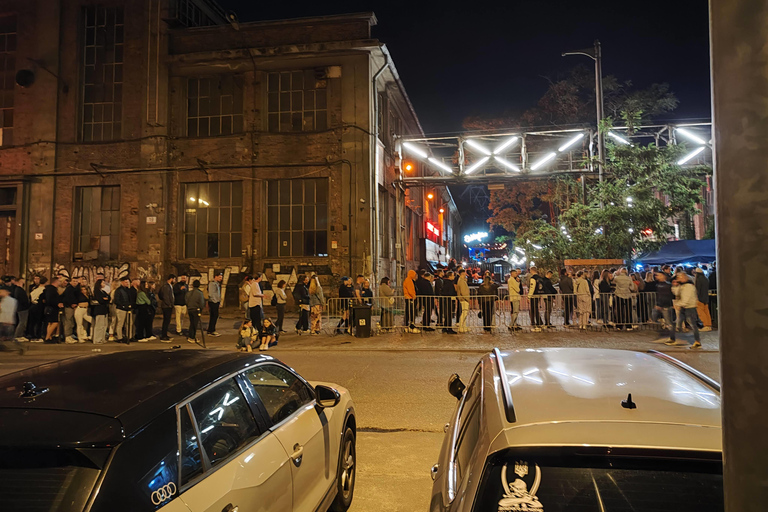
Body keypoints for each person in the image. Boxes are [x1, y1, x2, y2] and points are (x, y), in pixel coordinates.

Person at [667, 272, 701, 349]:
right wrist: (675, 286)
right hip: (684, 307)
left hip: (689, 308)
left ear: (685, 278)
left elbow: (686, 298)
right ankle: (672, 338)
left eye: (679, 277)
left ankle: (697, 342)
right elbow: (676, 293)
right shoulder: (682, 286)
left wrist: (679, 304)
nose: (678, 278)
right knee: (676, 323)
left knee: (692, 325)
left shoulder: (689, 287)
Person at [651, 271, 675, 342]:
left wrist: (660, 305)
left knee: (669, 322)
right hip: (661, 304)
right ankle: (660, 321)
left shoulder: (666, 285)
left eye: (658, 275)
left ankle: (672, 338)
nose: (656, 277)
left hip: (666, 305)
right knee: (654, 316)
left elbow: (666, 296)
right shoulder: (659, 284)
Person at [0, 285, 20, 353]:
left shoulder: (9, 301)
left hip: (6, 321)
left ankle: (20, 347)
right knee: (9, 338)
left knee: (10, 338)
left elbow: (6, 311)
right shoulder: (5, 300)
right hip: (6, 321)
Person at [43, 277, 63, 343]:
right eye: (59, 281)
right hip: (52, 308)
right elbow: (50, 299)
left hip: (49, 308)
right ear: (56, 282)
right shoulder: (52, 290)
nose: (60, 282)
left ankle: (49, 337)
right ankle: (47, 337)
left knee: (50, 323)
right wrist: (57, 304)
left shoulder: (48, 289)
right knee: (55, 322)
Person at [90, 279, 110, 344]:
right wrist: (104, 299)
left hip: (104, 310)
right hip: (99, 310)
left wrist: (106, 299)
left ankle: (102, 338)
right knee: (99, 325)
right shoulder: (97, 292)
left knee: (104, 325)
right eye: (103, 283)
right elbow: (101, 300)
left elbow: (109, 298)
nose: (104, 284)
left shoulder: (103, 292)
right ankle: (97, 339)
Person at [27, 276, 46, 341]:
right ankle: (38, 335)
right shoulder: (43, 289)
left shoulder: (34, 289)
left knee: (32, 322)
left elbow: (31, 296)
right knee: (38, 322)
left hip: (33, 305)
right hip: (39, 306)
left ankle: (32, 335)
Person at [10, 277, 30, 342]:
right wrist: (26, 304)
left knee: (23, 322)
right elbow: (21, 299)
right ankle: (17, 336)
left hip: (22, 307)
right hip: (22, 308)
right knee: (22, 322)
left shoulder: (18, 289)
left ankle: (20, 335)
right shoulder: (18, 289)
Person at [158, 274, 175, 341]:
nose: (174, 281)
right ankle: (163, 335)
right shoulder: (166, 287)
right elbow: (165, 297)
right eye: (174, 279)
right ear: (171, 279)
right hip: (167, 306)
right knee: (166, 321)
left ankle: (165, 334)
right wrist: (169, 304)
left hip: (168, 306)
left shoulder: (169, 286)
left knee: (167, 321)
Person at [60, 277, 78, 343]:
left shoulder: (74, 289)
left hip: (71, 306)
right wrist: (72, 304)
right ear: (70, 282)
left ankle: (69, 336)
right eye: (73, 281)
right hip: (69, 307)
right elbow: (67, 298)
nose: (75, 282)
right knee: (68, 321)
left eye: (76, 281)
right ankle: (67, 336)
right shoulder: (69, 289)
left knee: (71, 321)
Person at [527, 267, 544, 331]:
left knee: (534, 309)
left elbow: (532, 288)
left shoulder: (533, 278)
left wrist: (529, 296)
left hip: (534, 296)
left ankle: (536, 323)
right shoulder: (540, 278)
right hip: (538, 295)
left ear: (532, 270)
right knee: (536, 309)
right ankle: (539, 322)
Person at [206, 273, 222, 337]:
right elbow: (211, 294)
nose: (221, 279)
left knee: (215, 316)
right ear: (216, 276)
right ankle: (211, 330)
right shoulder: (212, 284)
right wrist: (215, 301)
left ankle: (211, 329)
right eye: (220, 277)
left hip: (216, 301)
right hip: (213, 302)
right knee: (214, 316)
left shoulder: (217, 284)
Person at [456, 269, 470, 333]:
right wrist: (467, 298)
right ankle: (461, 326)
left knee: (464, 313)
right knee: (464, 313)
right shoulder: (461, 281)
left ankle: (464, 326)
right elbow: (463, 291)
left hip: (463, 298)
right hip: (464, 299)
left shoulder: (462, 280)